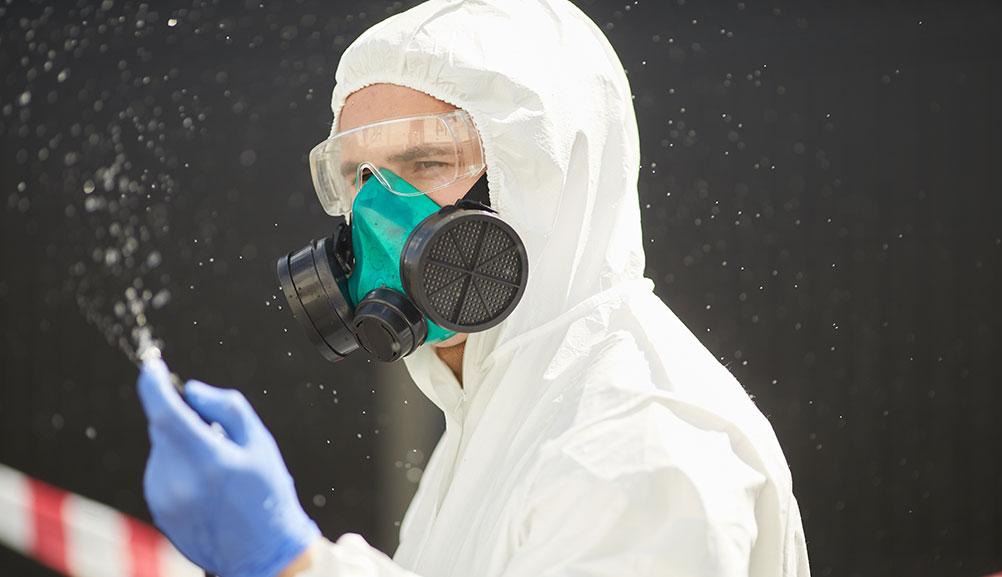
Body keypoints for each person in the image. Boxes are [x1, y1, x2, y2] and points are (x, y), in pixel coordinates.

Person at [137, 1, 811, 576]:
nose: (378, 215)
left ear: (547, 179)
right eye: (359, 178)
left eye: (426, 162)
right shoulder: (500, 412)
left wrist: (293, 562)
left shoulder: (636, 442)